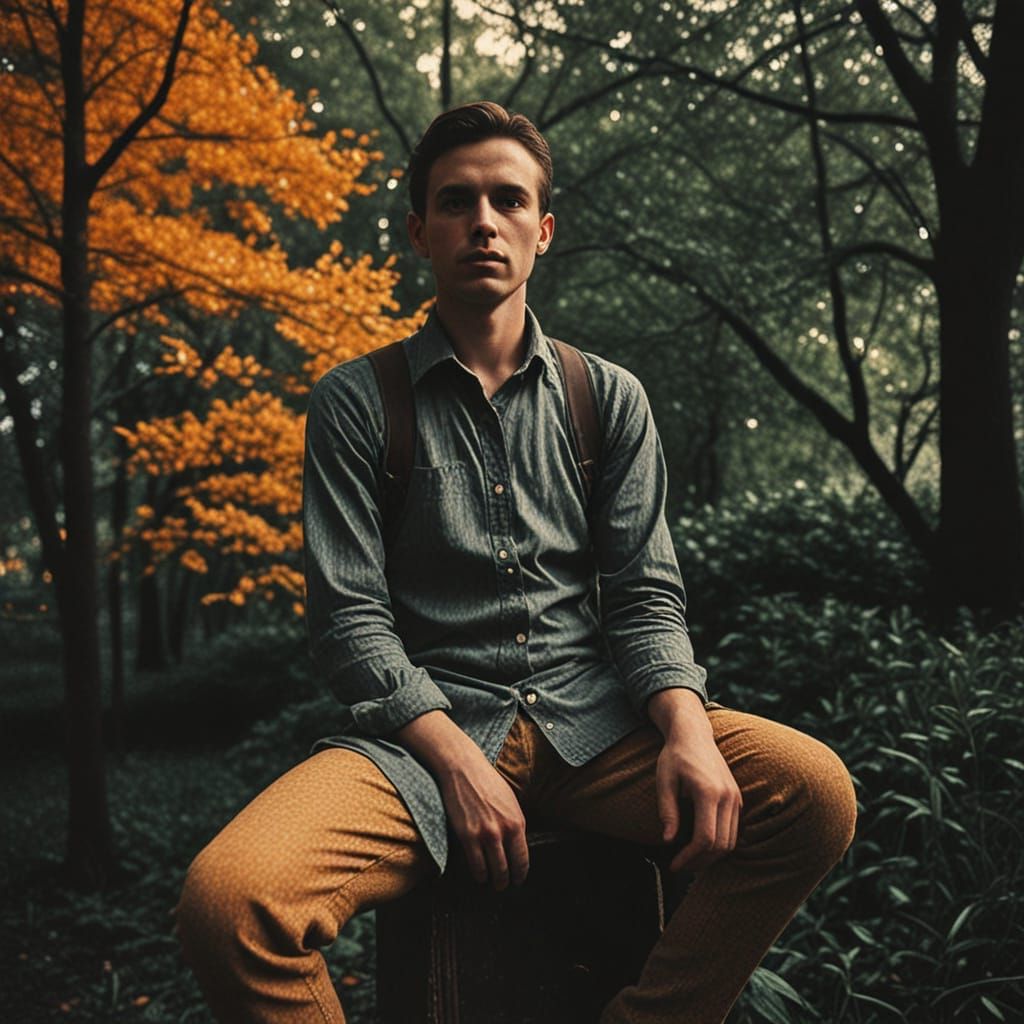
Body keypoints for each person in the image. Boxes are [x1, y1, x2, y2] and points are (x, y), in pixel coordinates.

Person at [174, 100, 857, 1024]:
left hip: (598, 735)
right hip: (420, 748)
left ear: (544, 229)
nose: (483, 222)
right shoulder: (357, 402)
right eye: (456, 202)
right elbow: (350, 621)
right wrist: (457, 762)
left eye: (508, 199)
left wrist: (688, 729)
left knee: (814, 794)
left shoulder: (606, 397)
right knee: (228, 904)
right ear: (419, 231)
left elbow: (644, 595)